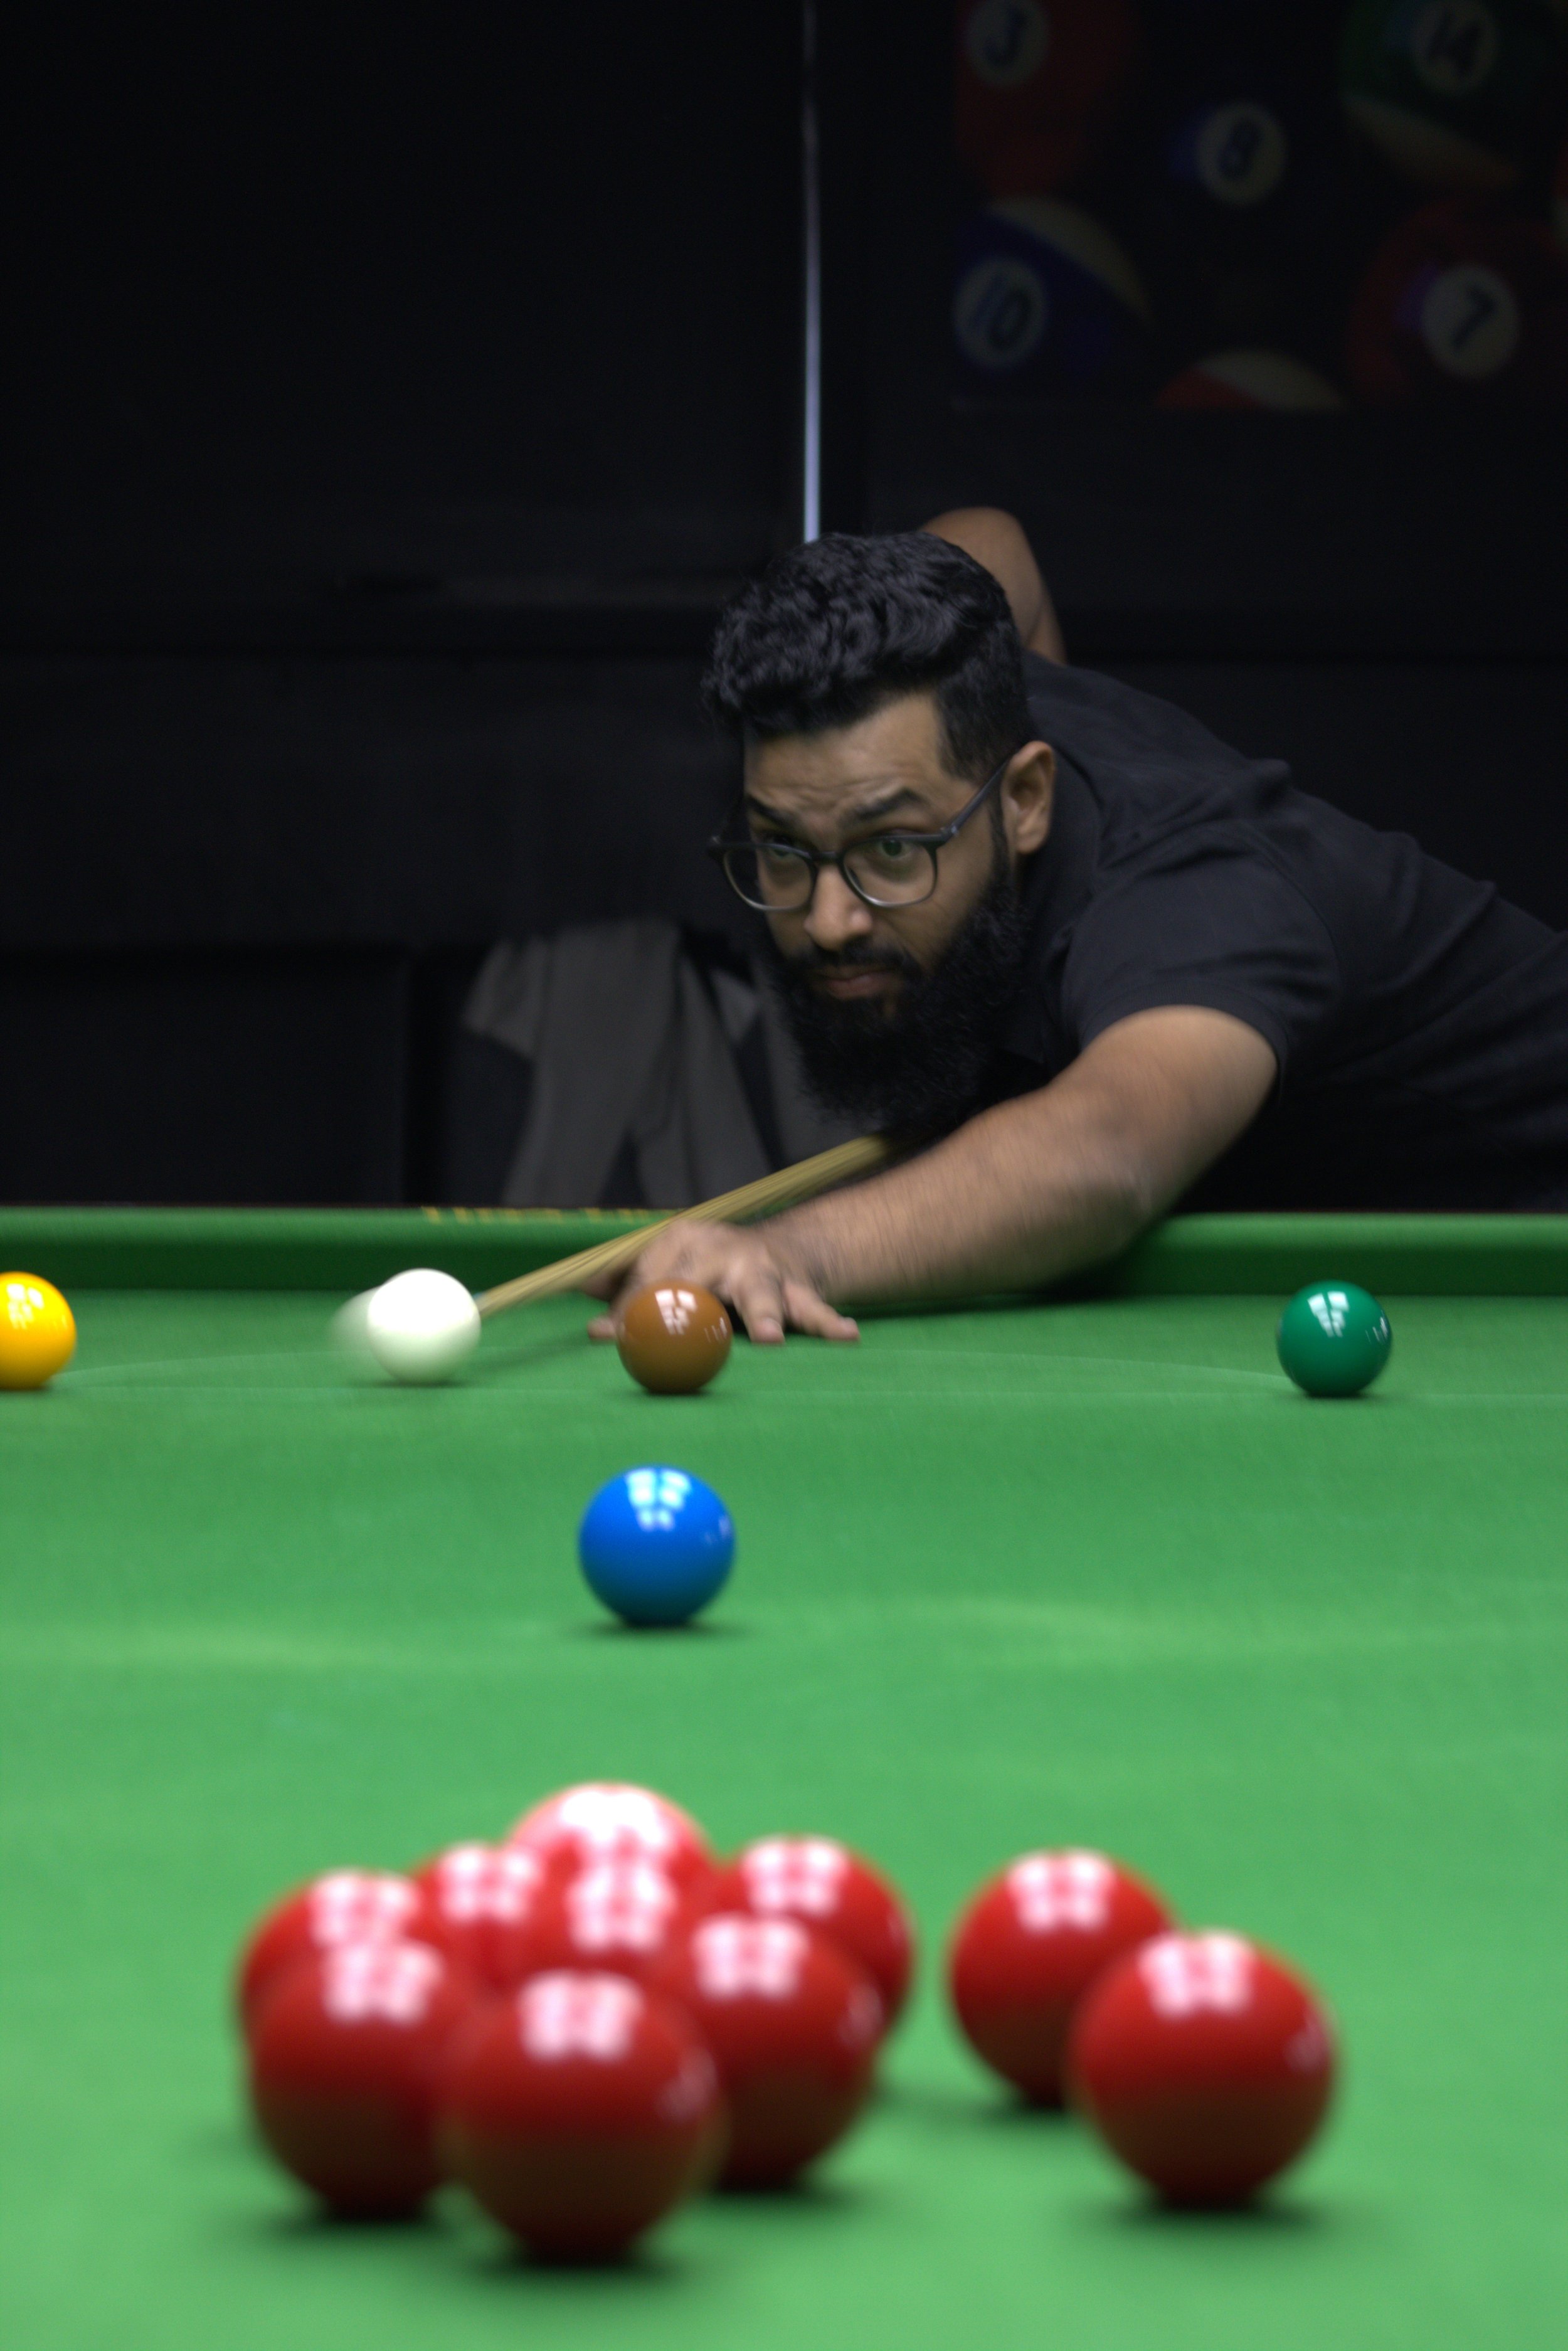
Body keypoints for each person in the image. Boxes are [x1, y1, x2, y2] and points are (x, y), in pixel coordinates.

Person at [586, 514, 1568, 1345]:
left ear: (1025, 799)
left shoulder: (1197, 898)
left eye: (892, 851)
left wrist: (794, 1249)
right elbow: (988, 539)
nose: (831, 921)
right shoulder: (961, 679)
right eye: (785, 851)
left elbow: (1110, 1149)